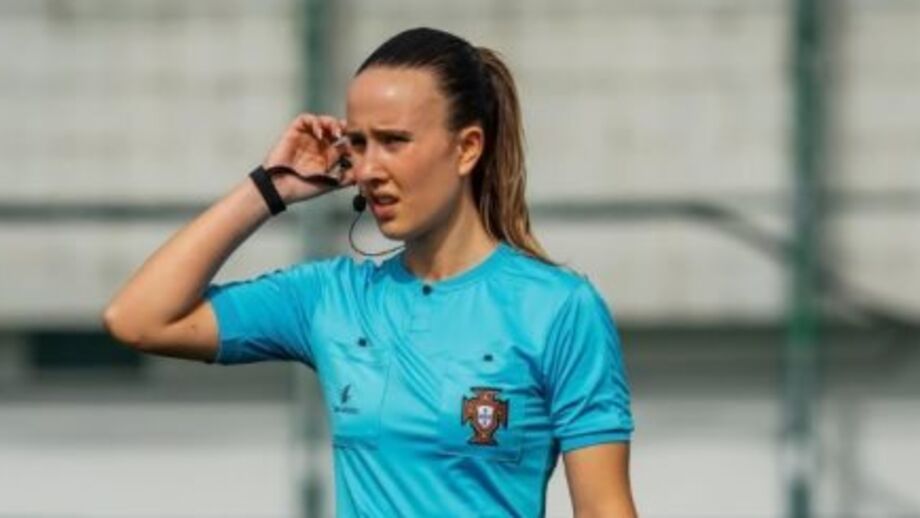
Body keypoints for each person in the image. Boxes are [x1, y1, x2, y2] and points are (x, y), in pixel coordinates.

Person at [103, 27, 637, 517]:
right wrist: (271, 188)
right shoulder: (329, 298)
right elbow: (138, 318)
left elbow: (604, 509)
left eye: (394, 141)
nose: (368, 170)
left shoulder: (559, 308)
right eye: (357, 143)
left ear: (467, 147)